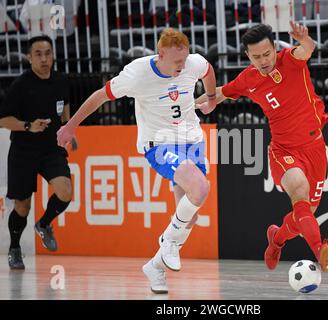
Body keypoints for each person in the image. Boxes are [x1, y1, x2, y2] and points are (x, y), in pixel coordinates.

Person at [57, 28, 217, 293]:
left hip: (192, 141)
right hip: (159, 143)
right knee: (200, 188)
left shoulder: (191, 63)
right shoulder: (137, 74)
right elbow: (100, 96)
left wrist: (211, 99)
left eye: (184, 59)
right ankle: (168, 242)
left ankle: (155, 266)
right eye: (176, 61)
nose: (182, 65)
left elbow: (208, 69)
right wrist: (71, 126)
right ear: (161, 54)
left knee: (188, 218)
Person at [196, 22, 328, 272]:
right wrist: (190, 104)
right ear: (248, 56)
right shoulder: (248, 79)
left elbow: (307, 49)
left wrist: (305, 39)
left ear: (274, 48)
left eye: (267, 54)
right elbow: (220, 93)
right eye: (256, 56)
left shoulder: (290, 60)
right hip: (284, 151)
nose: (263, 60)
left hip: (315, 148)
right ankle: (319, 250)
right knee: (299, 192)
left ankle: (276, 239)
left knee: (305, 215)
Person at [0, 35, 76, 270]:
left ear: (53, 55)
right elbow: (3, 119)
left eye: (48, 53)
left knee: (65, 192)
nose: (44, 59)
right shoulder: (20, 85)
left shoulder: (61, 81)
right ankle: (14, 248)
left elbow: (65, 107)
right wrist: (27, 126)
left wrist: (69, 128)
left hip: (51, 149)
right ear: (29, 57)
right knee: (22, 207)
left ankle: (44, 224)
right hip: (23, 151)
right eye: (38, 54)